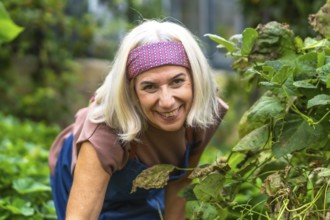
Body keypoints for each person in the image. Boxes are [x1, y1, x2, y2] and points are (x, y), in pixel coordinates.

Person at [48, 19, 228, 220]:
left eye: (177, 81)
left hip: (140, 192)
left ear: (195, 79)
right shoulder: (104, 131)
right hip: (80, 180)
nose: (167, 102)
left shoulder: (204, 113)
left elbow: (180, 183)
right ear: (132, 92)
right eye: (150, 87)